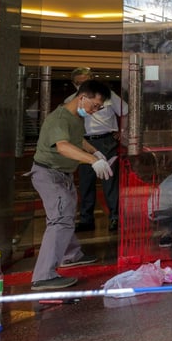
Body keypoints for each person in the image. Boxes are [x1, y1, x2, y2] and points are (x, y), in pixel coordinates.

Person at [30, 79, 113, 290]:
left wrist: (94, 151)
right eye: (94, 105)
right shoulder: (59, 118)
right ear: (82, 97)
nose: (95, 111)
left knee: (65, 215)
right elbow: (64, 147)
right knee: (60, 220)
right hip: (49, 174)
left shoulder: (75, 118)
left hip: (63, 174)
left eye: (99, 107)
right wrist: (93, 161)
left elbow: (77, 140)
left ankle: (71, 254)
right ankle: (43, 276)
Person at [66, 67, 128, 233]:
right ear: (74, 84)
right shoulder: (70, 100)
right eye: (79, 83)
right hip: (84, 143)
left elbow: (126, 111)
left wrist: (123, 132)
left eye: (85, 81)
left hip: (106, 141)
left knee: (110, 182)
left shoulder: (108, 95)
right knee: (86, 183)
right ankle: (86, 219)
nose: (82, 85)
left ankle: (115, 218)